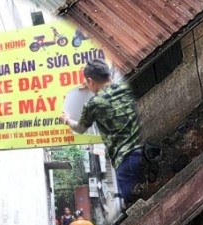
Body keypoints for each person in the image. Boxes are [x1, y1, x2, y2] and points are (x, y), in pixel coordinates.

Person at [59, 60, 144, 204]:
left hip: (124, 158)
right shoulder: (123, 87)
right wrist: (91, 84)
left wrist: (66, 119)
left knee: (132, 204)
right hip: (140, 149)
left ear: (91, 81)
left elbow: (80, 128)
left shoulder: (94, 103)